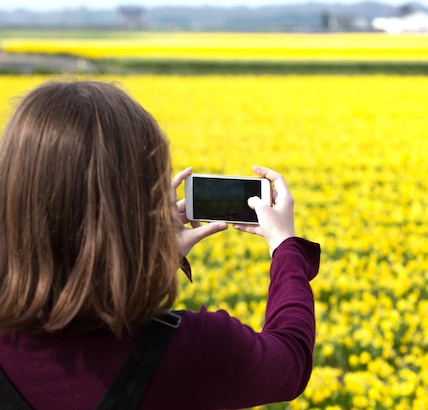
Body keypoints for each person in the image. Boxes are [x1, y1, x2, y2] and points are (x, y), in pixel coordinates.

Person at [0, 80, 320, 409]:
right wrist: (285, 247)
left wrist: (148, 261)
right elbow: (289, 361)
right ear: (144, 203)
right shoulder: (195, 349)